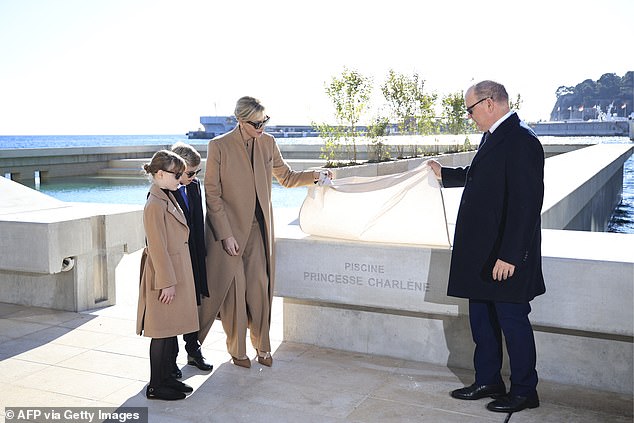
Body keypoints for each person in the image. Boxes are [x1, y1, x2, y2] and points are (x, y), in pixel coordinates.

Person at [427, 81, 545, 414]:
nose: (469, 116)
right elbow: (485, 175)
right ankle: (488, 380)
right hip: (481, 256)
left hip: (504, 257)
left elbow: (526, 204)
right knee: (482, 321)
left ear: (489, 103)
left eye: (470, 109)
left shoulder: (522, 140)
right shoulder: (495, 136)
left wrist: (510, 255)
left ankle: (524, 390)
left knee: (512, 322)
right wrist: (446, 174)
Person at [198, 96, 332, 368]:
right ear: (240, 120)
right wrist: (225, 234)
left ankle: (263, 346)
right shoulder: (218, 146)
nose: (261, 127)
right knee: (234, 292)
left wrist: (316, 175)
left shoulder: (268, 143)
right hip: (228, 234)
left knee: (259, 287)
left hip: (259, 231)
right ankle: (236, 351)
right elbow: (212, 194)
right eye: (256, 123)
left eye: (264, 121)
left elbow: (288, 177)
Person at [136, 150, 199, 401]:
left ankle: (167, 379)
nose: (180, 177)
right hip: (165, 276)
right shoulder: (155, 204)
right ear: (160, 174)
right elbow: (157, 246)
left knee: (169, 329)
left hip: (175, 272)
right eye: (176, 174)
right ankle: (156, 385)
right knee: (161, 332)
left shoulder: (166, 196)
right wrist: (167, 283)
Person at [170, 142, 213, 375]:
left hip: (194, 256)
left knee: (194, 304)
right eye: (190, 172)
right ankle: (170, 361)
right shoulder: (165, 190)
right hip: (176, 260)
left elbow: (199, 221)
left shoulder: (194, 186)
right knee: (175, 309)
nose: (194, 176)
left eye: (197, 172)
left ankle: (193, 350)